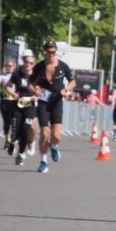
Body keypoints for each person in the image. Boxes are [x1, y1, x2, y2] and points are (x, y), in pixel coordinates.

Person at [29, 42, 76, 174]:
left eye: (53, 52)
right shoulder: (39, 67)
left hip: (56, 101)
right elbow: (30, 84)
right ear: (45, 51)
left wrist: (66, 89)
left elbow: (73, 82)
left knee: (56, 136)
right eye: (49, 52)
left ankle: (53, 145)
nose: (51, 54)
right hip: (43, 102)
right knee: (44, 133)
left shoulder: (63, 66)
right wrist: (34, 92)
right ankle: (43, 161)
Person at [6, 53, 38, 166]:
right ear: (23, 62)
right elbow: (8, 86)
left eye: (31, 63)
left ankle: (20, 153)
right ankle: (12, 142)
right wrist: (13, 93)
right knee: (15, 127)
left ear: (33, 65)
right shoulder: (17, 74)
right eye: (26, 62)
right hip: (18, 104)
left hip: (30, 106)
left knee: (26, 128)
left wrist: (35, 95)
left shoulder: (36, 76)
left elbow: (40, 91)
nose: (28, 65)